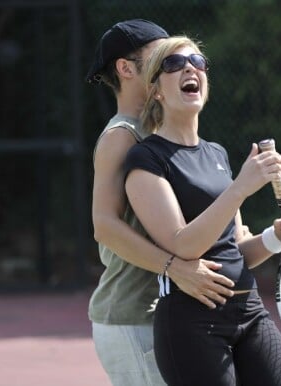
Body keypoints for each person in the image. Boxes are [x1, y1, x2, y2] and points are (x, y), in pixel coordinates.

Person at [124, 36, 281, 386]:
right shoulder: (145, 159)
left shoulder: (217, 154)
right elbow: (183, 246)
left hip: (250, 311)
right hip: (191, 323)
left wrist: (276, 236)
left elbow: (236, 249)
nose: (189, 68)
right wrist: (240, 187)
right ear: (156, 91)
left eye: (197, 62)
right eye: (173, 64)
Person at [86, 20, 251, 386]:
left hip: (179, 312)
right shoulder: (122, 136)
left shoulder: (170, 134)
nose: (178, 63)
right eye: (163, 58)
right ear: (126, 69)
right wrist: (173, 267)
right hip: (134, 315)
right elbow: (105, 226)